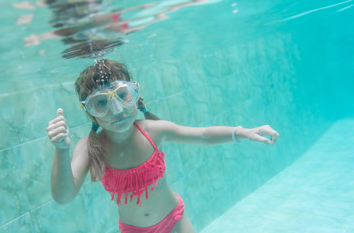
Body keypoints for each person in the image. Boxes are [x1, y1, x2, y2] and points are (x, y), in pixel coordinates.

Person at [47, 59, 279, 233]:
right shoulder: (90, 146)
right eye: (101, 103)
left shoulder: (152, 131)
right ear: (90, 112)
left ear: (136, 96)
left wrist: (244, 132)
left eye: (122, 95)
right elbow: (64, 196)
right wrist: (61, 150)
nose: (117, 110)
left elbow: (204, 135)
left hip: (175, 221)